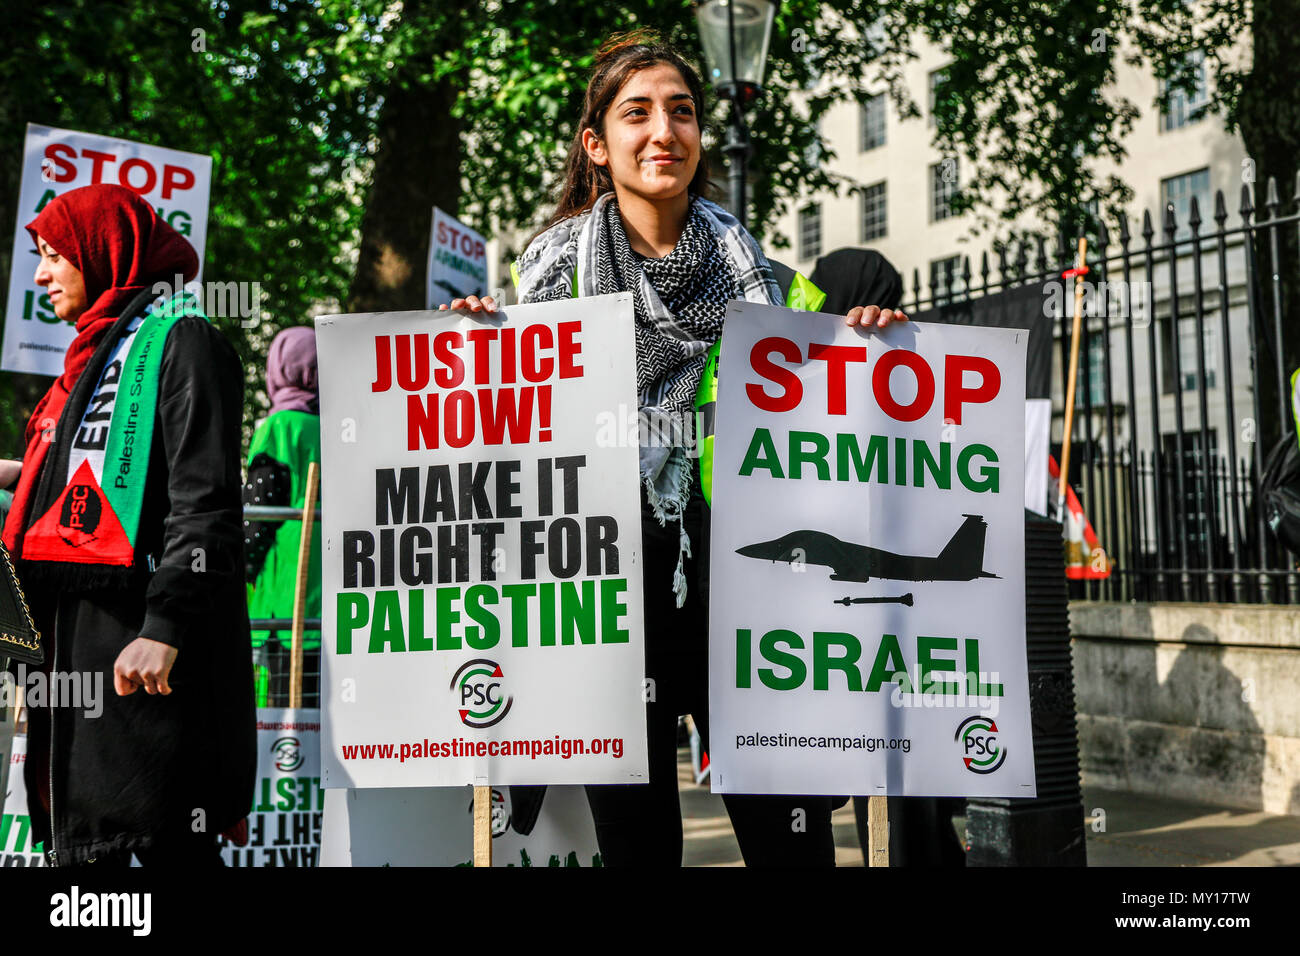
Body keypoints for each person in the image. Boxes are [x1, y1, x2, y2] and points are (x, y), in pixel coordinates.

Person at [440, 31, 906, 867]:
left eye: (682, 112)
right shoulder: (545, 288)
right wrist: (471, 352)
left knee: (792, 846)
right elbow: (506, 450)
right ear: (597, 144)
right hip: (610, 611)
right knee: (638, 850)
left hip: (753, 610)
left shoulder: (775, 290)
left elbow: (843, 441)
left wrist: (867, 345)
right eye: (638, 113)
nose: (665, 132)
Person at [2, 184, 256, 866]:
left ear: (103, 252)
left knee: (162, 844)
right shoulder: (88, 360)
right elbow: (73, 480)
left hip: (141, 673)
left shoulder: (183, 342)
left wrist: (162, 631)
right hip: (76, 671)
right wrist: (18, 472)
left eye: (55, 255)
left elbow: (203, 505)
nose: (41, 274)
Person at [243, 326, 323, 706]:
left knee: (282, 718)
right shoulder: (339, 426)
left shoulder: (280, 427)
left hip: (284, 600)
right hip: (330, 602)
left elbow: (258, 518)